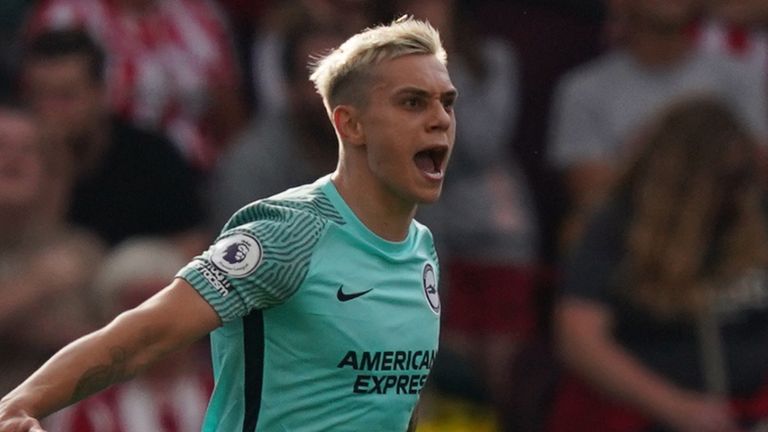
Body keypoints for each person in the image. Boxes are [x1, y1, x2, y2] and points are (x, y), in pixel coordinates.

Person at [0, 16, 456, 432]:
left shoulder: (423, 251)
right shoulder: (287, 232)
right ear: (350, 124)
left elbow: (391, 407)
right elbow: (143, 334)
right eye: (412, 103)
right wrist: (22, 403)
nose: (439, 120)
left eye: (446, 103)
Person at [547, 96, 768, 432]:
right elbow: (579, 338)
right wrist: (677, 408)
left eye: (741, 177)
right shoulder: (617, 226)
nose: (735, 192)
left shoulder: (752, 216)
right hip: (649, 414)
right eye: (724, 179)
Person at [547, 0, 768, 251]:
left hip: (721, 230)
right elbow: (591, 191)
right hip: (633, 237)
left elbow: (758, 171)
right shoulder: (582, 88)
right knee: (580, 228)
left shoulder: (741, 76)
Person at [20, 28, 208, 255]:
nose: (50, 111)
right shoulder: (15, 161)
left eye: (66, 96)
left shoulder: (151, 155)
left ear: (100, 94)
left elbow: (193, 242)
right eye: (40, 96)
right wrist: (57, 172)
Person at [24, 0, 247, 171]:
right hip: (103, 169)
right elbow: (43, 104)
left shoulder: (199, 12)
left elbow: (230, 114)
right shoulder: (65, 15)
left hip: (198, 173)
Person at [43, 238, 212, 432]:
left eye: (167, 313)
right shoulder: (86, 410)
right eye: (137, 312)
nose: (155, 327)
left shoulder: (231, 396)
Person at [0, 105, 104, 396]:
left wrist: (40, 331)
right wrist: (38, 285)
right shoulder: (56, 269)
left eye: (28, 150)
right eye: (1, 146)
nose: (13, 158)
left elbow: (121, 345)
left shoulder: (81, 250)